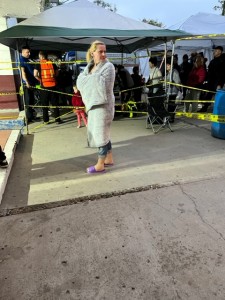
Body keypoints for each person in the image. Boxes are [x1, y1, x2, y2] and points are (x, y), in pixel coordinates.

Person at [77, 40, 115, 174]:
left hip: (104, 106)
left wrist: (88, 80)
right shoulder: (89, 67)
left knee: (100, 135)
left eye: (105, 51)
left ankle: (100, 164)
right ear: (93, 53)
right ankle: (109, 158)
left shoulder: (108, 66)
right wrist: (91, 79)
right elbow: (80, 81)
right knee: (104, 134)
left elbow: (103, 85)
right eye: (100, 51)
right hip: (93, 106)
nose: (104, 54)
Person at [34, 51, 63, 124]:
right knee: (55, 104)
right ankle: (57, 120)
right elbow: (57, 73)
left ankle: (46, 120)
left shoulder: (38, 64)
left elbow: (35, 74)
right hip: (53, 86)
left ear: (41, 56)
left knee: (45, 104)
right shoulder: (51, 63)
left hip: (44, 86)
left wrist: (40, 80)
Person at [199, 46, 225, 112]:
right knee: (208, 95)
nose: (214, 52)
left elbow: (222, 74)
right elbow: (209, 72)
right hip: (211, 81)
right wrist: (206, 80)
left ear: (220, 52)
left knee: (218, 97)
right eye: (214, 50)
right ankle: (205, 107)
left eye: (216, 51)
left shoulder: (222, 61)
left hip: (218, 82)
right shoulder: (212, 61)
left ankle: (219, 110)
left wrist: (219, 84)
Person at [19, 46, 39, 123]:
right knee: (28, 101)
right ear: (23, 52)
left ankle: (31, 116)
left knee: (32, 101)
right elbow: (23, 72)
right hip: (27, 84)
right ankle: (28, 119)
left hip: (32, 82)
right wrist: (26, 82)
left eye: (29, 52)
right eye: (27, 52)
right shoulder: (22, 60)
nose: (29, 53)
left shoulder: (28, 59)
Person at [165, 58, 181, 122]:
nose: (166, 66)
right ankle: (170, 117)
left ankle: (171, 118)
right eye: (166, 65)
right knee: (169, 106)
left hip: (173, 92)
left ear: (171, 65)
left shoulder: (174, 72)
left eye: (168, 65)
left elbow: (178, 81)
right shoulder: (168, 73)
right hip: (169, 92)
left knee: (171, 106)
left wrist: (172, 83)